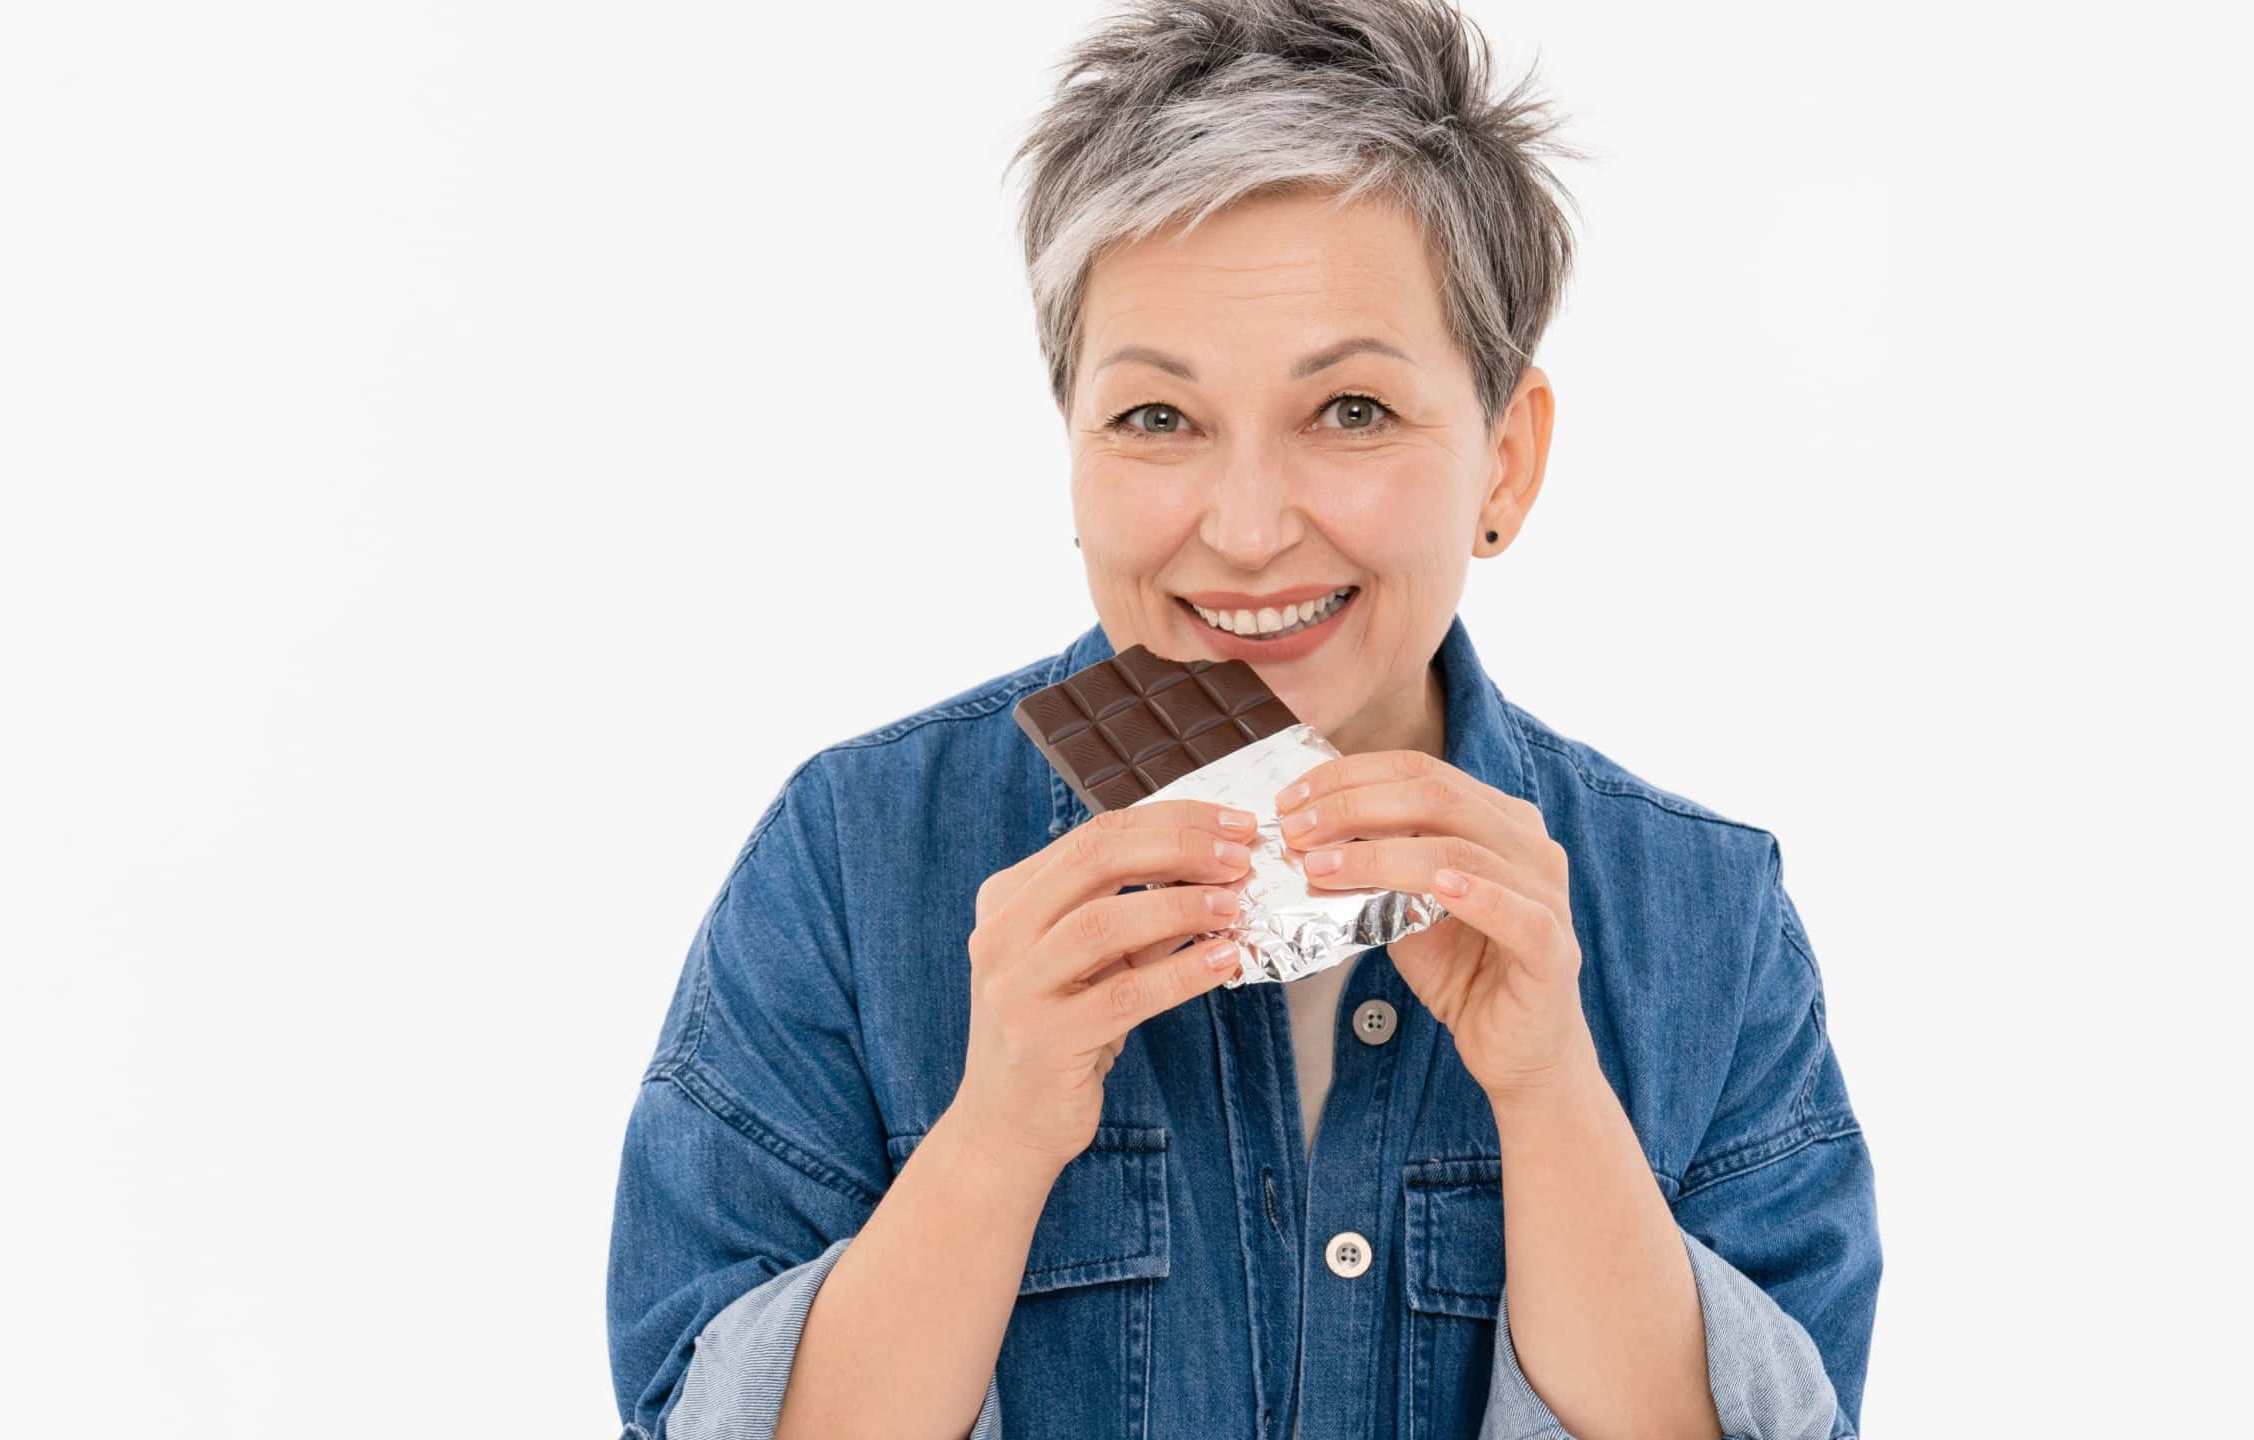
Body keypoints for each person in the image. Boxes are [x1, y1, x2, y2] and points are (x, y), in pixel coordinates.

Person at [604, 2, 1880, 1436]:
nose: (1250, 526)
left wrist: (1551, 1094)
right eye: (1158, 418)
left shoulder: (1700, 916)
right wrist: (999, 1134)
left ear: (1505, 462)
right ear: (1074, 450)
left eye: (1349, 411)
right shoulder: (853, 863)